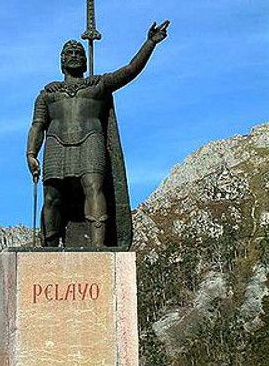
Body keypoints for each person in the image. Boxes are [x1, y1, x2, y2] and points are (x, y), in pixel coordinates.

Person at [26, 20, 170, 247]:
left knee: (93, 187)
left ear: (84, 61)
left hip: (91, 140)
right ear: (62, 61)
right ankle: (50, 246)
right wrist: (31, 153)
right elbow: (37, 125)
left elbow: (130, 70)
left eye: (78, 52)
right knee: (52, 197)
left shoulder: (98, 85)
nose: (74, 55)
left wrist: (150, 43)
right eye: (69, 53)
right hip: (56, 144)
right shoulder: (47, 94)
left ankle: (98, 246)